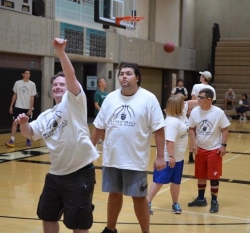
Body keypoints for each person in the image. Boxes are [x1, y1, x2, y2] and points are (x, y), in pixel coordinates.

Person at [15, 38, 99, 233]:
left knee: (78, 222)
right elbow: (29, 133)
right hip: (56, 174)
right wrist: (24, 124)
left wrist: (60, 51)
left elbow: (70, 76)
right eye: (55, 85)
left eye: (61, 84)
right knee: (47, 215)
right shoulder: (46, 115)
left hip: (79, 172)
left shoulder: (75, 101)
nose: (58, 87)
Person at [91, 63, 166, 233]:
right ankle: (110, 229)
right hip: (112, 158)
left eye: (129, 73)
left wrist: (161, 156)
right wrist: (88, 152)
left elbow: (159, 130)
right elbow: (98, 128)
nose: (124, 76)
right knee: (113, 194)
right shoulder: (110, 98)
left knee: (139, 198)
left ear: (137, 77)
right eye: (121, 73)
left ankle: (145, 231)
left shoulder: (148, 98)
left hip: (135, 159)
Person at [148, 94, 198, 215]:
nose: (185, 104)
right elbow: (169, 141)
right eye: (182, 103)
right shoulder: (172, 122)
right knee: (159, 181)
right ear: (177, 106)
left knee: (176, 182)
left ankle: (175, 203)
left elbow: (190, 103)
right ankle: (147, 202)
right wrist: (171, 157)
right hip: (168, 157)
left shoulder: (181, 113)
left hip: (178, 157)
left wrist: (202, 100)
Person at [188, 88, 230, 213]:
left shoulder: (218, 112)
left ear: (209, 99)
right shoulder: (195, 111)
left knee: (213, 177)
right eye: (198, 97)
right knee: (201, 175)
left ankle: (214, 201)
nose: (198, 99)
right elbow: (191, 128)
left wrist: (223, 145)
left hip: (214, 149)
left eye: (201, 97)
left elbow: (225, 129)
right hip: (200, 148)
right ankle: (201, 199)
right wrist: (194, 143)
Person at [188, 71, 216, 164]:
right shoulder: (212, 88)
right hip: (208, 113)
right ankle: (205, 153)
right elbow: (213, 102)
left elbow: (193, 100)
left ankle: (191, 155)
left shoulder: (196, 86)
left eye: (201, 75)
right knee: (204, 133)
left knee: (193, 134)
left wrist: (189, 110)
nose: (200, 76)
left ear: (203, 77)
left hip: (197, 112)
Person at [5, 69, 37, 147]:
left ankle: (28, 139)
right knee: (15, 122)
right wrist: (11, 106)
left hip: (27, 108)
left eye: (29, 73)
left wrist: (30, 108)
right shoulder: (17, 83)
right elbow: (15, 95)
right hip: (18, 106)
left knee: (28, 124)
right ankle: (12, 140)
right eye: (26, 73)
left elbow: (32, 97)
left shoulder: (32, 84)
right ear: (22, 74)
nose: (28, 75)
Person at [94, 77, 108, 152]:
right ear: (99, 84)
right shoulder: (97, 93)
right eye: (103, 81)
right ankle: (94, 146)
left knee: (104, 131)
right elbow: (96, 105)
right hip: (99, 114)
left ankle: (103, 145)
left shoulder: (107, 93)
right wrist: (102, 111)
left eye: (105, 81)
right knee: (99, 130)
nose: (105, 82)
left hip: (106, 115)